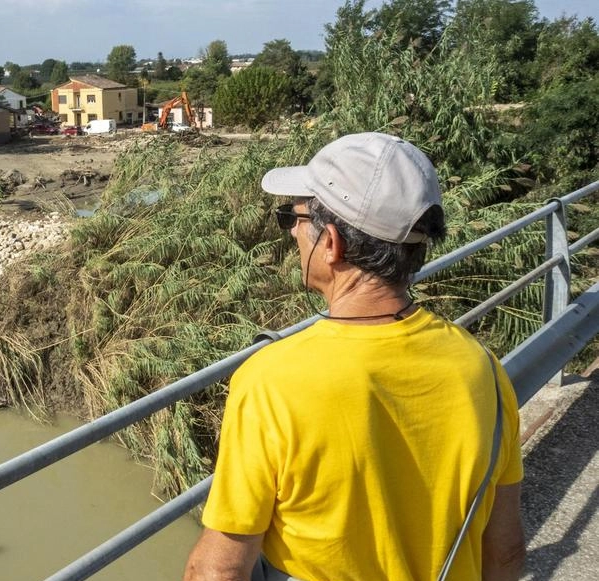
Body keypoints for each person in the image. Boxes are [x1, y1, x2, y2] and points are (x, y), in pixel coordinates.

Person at [183, 132, 525, 581]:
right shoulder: (482, 367)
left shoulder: (272, 381)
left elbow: (220, 569)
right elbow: (505, 553)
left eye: (296, 216)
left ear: (331, 244)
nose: (291, 230)